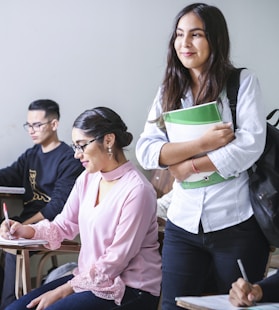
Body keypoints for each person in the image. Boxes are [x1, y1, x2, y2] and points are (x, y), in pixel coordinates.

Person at [136, 3, 270, 309]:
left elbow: (250, 145)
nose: (185, 43)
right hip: (182, 223)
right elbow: (146, 150)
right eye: (180, 35)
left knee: (236, 304)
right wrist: (202, 144)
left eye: (196, 34)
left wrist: (188, 166)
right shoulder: (169, 89)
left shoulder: (241, 82)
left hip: (236, 222)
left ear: (215, 39)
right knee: (173, 306)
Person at [1, 106, 162, 310]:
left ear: (109, 140)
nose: (77, 155)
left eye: (82, 146)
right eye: (75, 146)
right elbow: (63, 225)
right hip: (89, 280)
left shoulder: (138, 190)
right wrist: (25, 230)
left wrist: (62, 290)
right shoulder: (87, 178)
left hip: (130, 288)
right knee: (14, 309)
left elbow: (115, 261)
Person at [0, 99, 84, 309]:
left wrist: (24, 227)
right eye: (28, 125)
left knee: (11, 250)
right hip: (26, 222)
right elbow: (8, 176)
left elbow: (55, 208)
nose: (31, 130)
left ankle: (8, 305)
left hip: (52, 226)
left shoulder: (68, 159)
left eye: (37, 125)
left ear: (54, 124)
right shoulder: (31, 155)